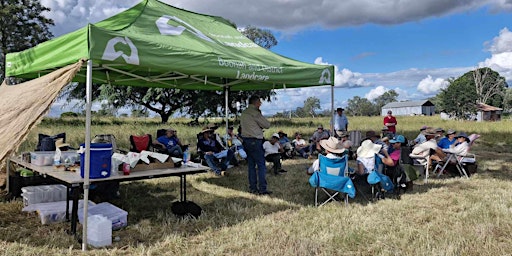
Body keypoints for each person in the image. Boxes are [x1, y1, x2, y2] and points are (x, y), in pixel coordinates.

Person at [240, 95, 272, 195]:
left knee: (251, 165)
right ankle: (262, 188)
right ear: (256, 102)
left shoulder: (244, 113)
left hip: (246, 140)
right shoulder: (255, 113)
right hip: (255, 140)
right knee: (261, 165)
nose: (261, 104)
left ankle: (252, 187)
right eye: (259, 102)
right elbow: (267, 125)